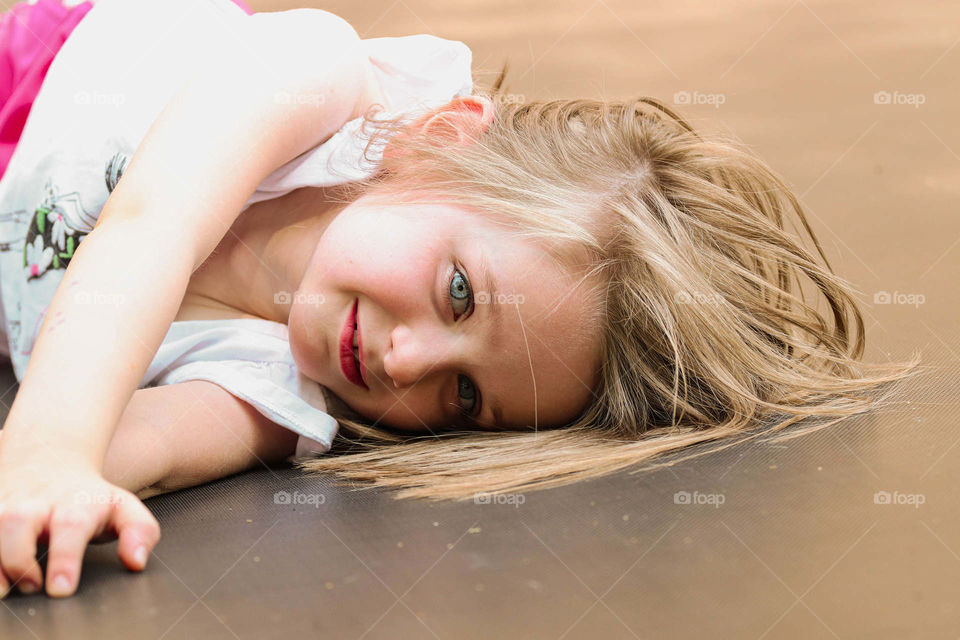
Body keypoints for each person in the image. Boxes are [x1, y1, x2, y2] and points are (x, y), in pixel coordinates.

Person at [0, 0, 922, 600]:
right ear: (438, 141)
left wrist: (59, 493)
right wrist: (48, 453)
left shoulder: (290, 398)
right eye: (457, 295)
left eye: (465, 399)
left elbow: (144, 446)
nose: (407, 363)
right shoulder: (314, 80)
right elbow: (152, 220)